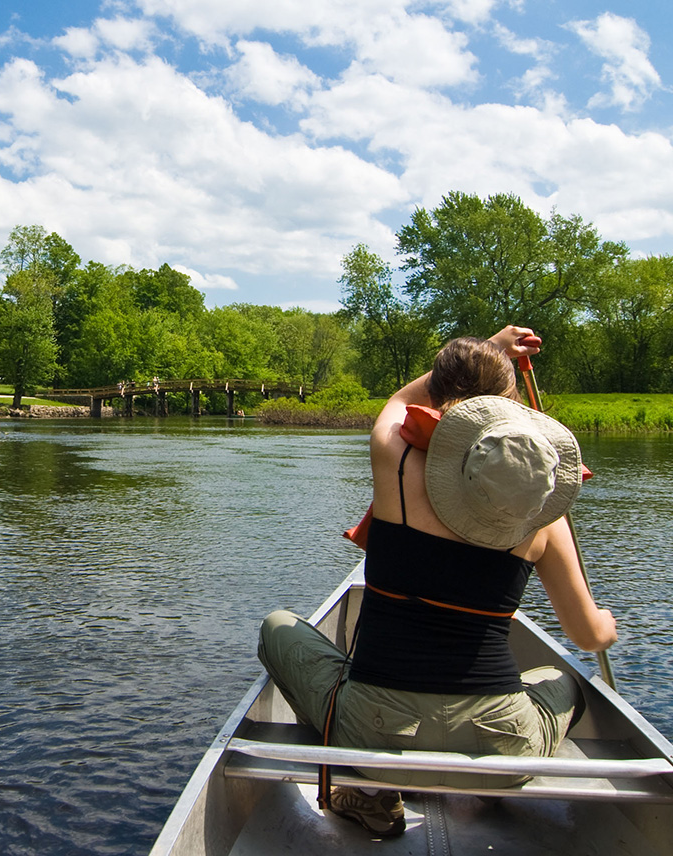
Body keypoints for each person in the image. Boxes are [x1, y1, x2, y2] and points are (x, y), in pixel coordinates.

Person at [257, 326, 617, 838]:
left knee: (278, 626)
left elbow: (402, 401)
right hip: (500, 749)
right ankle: (479, 793)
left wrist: (488, 351)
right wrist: (605, 625)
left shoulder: (396, 462)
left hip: (375, 739)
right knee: (564, 683)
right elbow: (586, 636)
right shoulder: (544, 516)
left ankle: (369, 791)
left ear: (451, 397)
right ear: (512, 406)